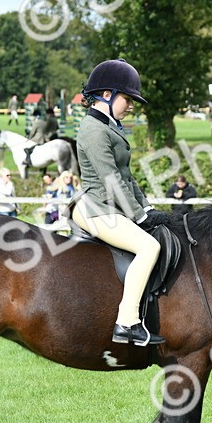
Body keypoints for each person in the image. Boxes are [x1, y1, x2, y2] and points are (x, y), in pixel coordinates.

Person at [74, 58, 166, 346]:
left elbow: (127, 177)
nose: (131, 105)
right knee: (149, 247)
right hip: (98, 208)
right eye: (127, 98)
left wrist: (147, 209)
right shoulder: (93, 129)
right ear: (106, 95)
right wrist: (138, 217)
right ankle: (127, 322)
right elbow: (110, 179)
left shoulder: (109, 126)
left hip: (111, 205)